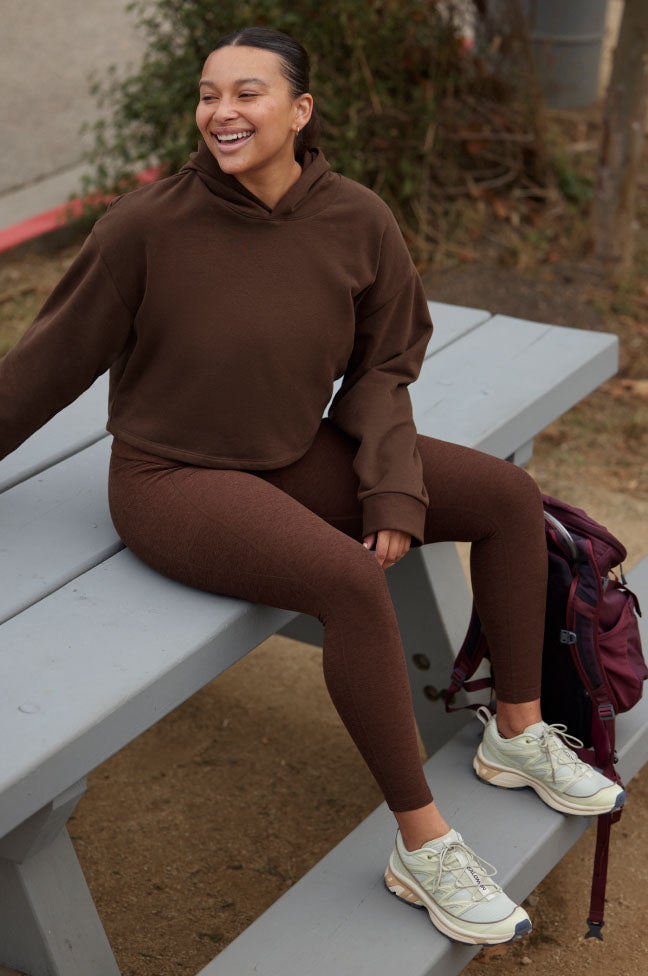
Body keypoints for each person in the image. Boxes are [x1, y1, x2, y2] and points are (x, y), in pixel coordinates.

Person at [0, 25, 625, 948]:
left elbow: (385, 366)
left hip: (294, 452)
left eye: (247, 93)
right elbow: (42, 369)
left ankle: (517, 732)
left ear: (300, 111)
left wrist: (389, 490)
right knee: (346, 583)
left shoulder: (356, 218)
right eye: (209, 94)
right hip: (174, 475)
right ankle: (421, 843)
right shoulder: (144, 229)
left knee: (503, 496)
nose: (222, 111)